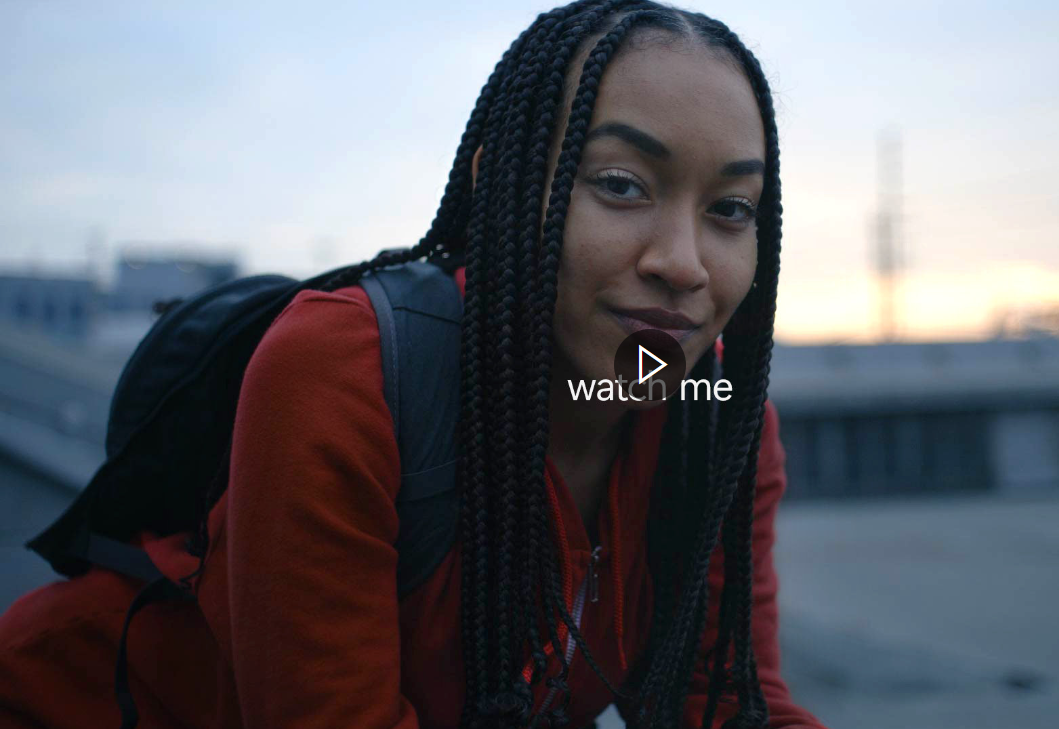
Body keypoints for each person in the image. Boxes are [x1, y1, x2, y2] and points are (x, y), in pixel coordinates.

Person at [0, 2, 828, 727]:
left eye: (729, 208)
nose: (684, 263)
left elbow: (725, 704)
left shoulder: (718, 424)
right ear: (500, 185)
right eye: (620, 184)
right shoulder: (343, 372)